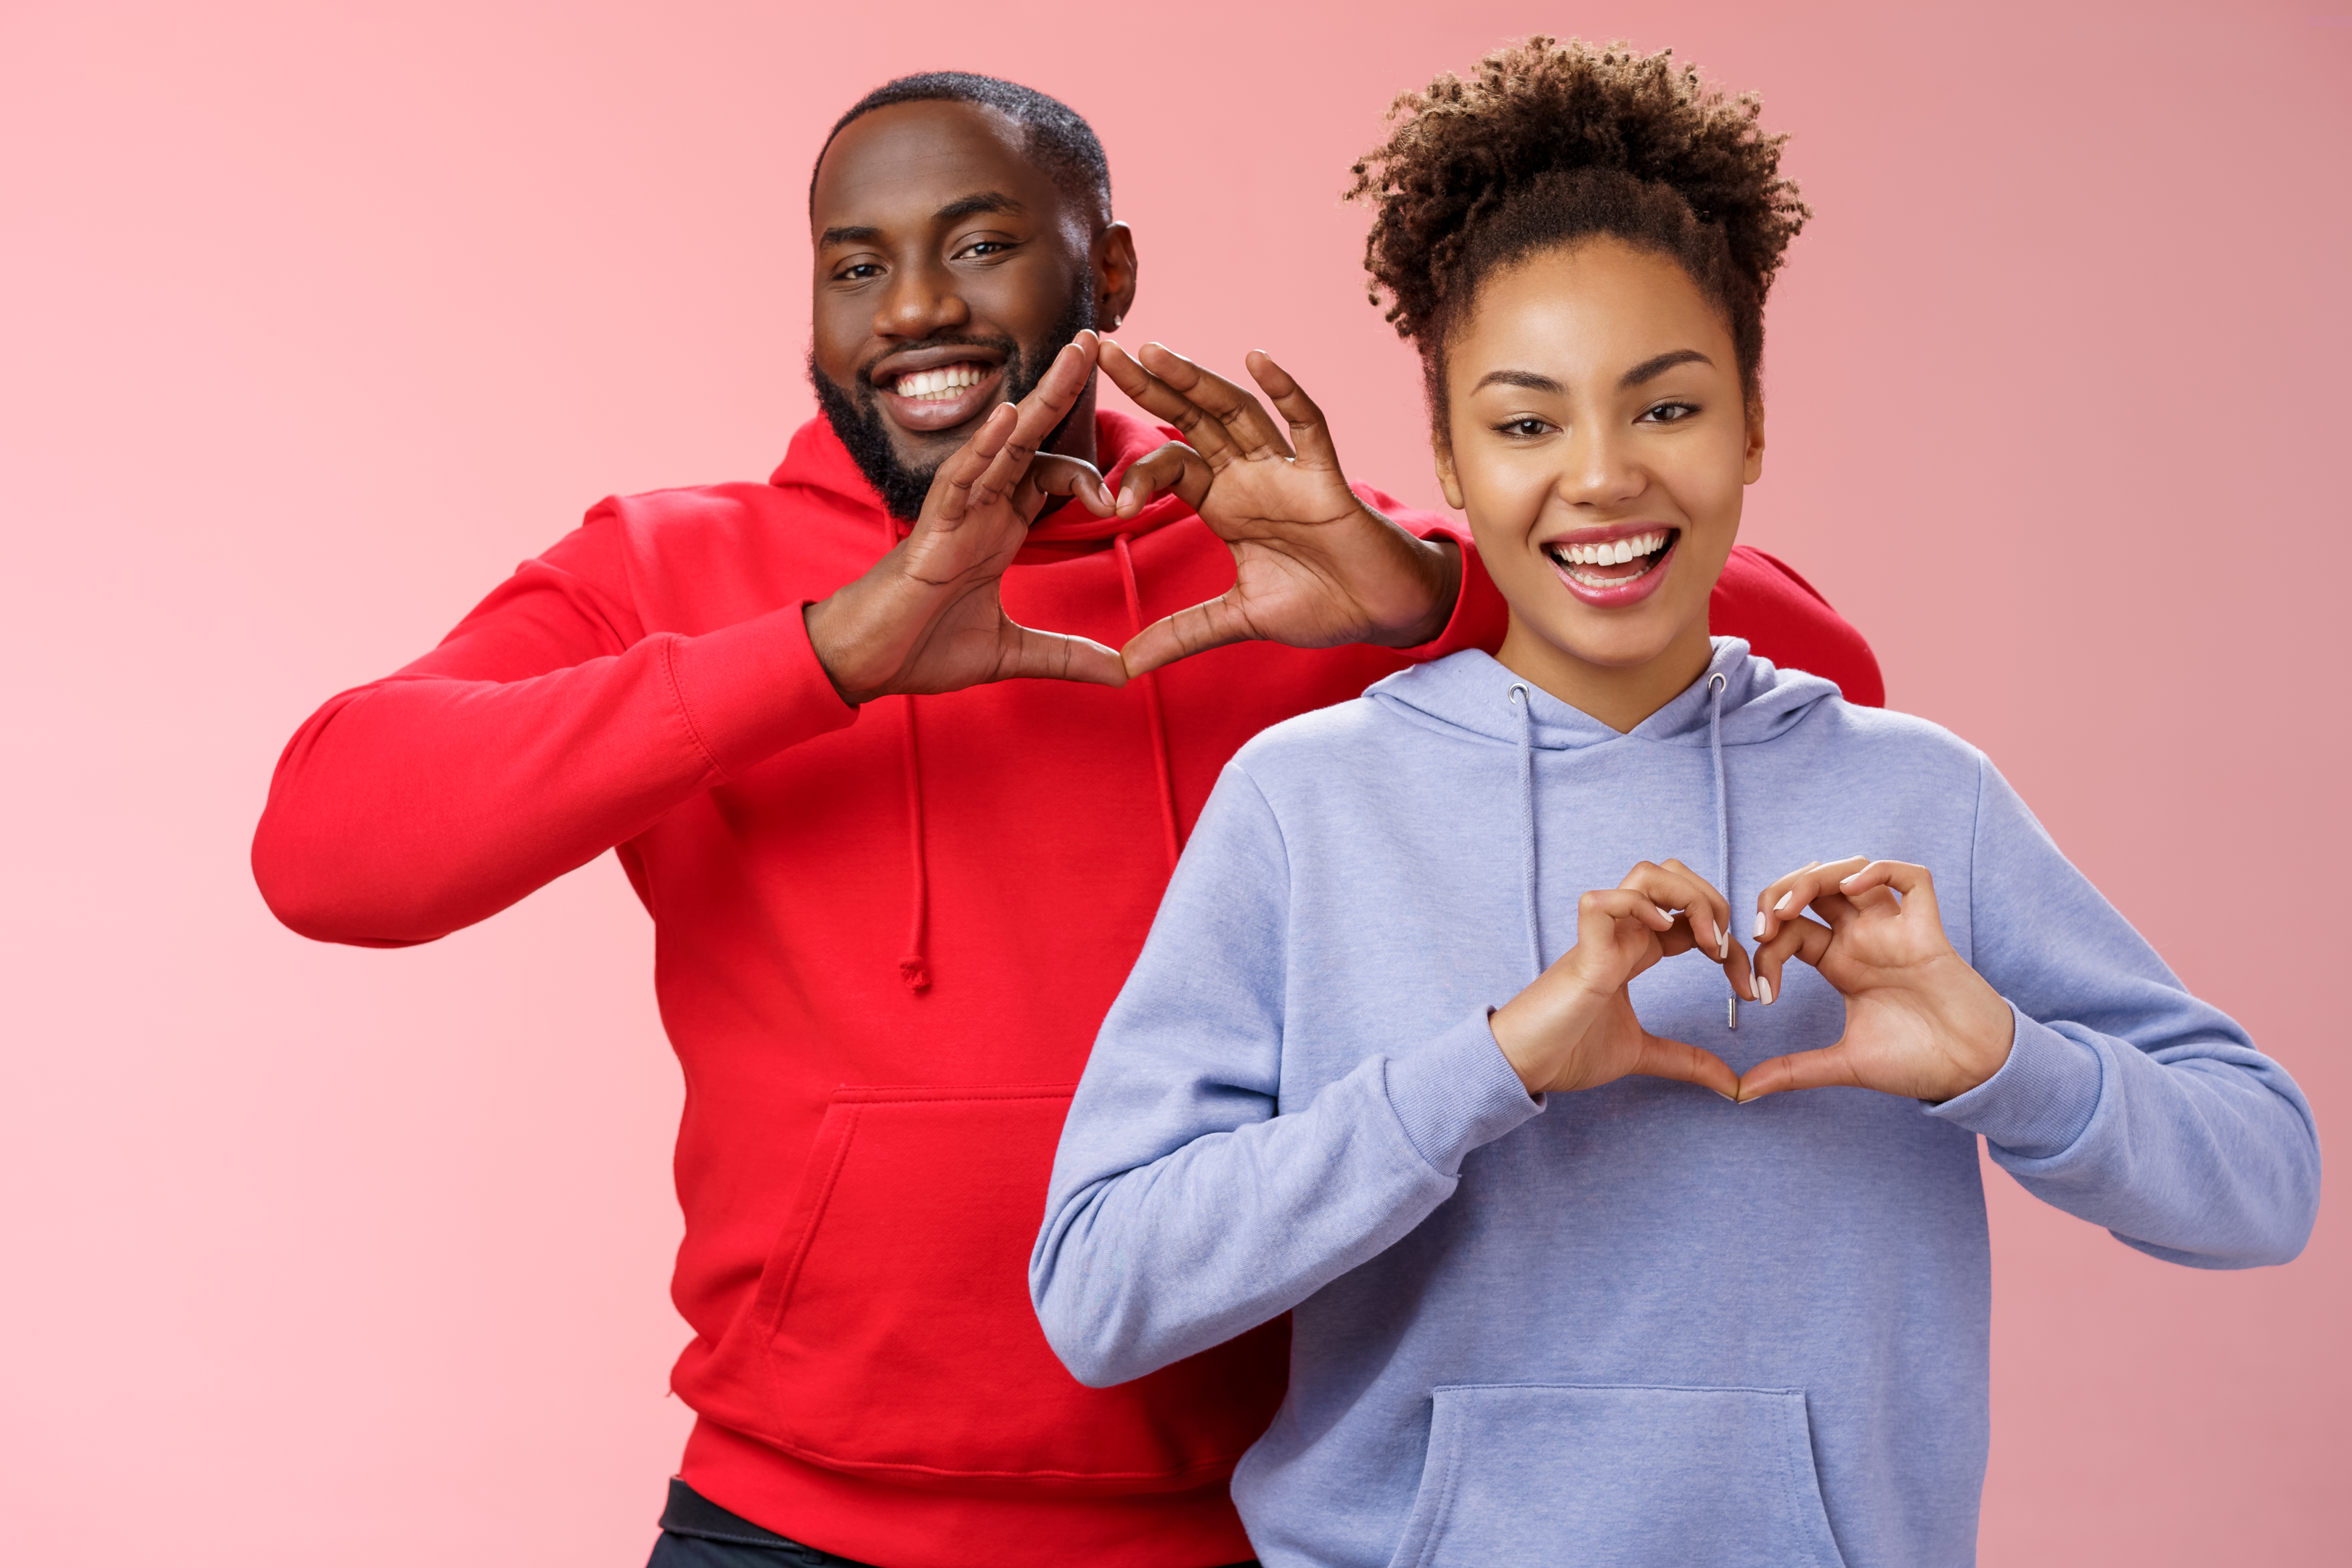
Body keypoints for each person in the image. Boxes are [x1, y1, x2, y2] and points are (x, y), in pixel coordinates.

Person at [252, 70, 1883, 1568]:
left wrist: (1432, 598)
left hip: (1272, 1516)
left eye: (979, 246)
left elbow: (1824, 681)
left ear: (1106, 277)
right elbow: (328, 842)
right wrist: (829, 653)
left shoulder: (1287, 566)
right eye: (855, 262)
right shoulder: (673, 567)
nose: (913, 310)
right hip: (782, 1524)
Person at [1029, 38, 2321, 1568]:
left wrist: (2002, 1062)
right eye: (1524, 423)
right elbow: (1102, 1295)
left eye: (1667, 407)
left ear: (1755, 422)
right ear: (1445, 452)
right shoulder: (1312, 807)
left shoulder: (1917, 798)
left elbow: (2265, 1189)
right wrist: (1493, 1067)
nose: (1600, 477)